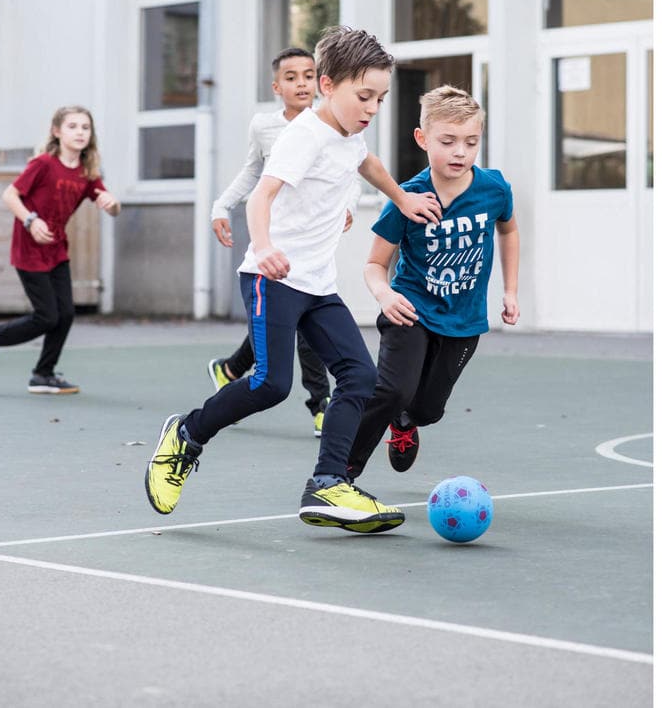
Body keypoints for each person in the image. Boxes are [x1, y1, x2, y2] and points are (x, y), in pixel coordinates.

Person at [144, 26, 443, 532]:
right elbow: (261, 197)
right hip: (272, 278)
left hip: (317, 285)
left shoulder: (350, 133)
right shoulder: (302, 135)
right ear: (329, 86)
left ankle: (327, 484)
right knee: (270, 383)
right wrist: (264, 248)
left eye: (380, 97)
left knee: (360, 378)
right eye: (363, 95)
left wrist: (403, 197)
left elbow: (365, 161)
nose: (372, 107)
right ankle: (186, 435)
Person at [344, 85, 519, 482]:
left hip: (464, 319)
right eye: (449, 141)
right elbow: (375, 264)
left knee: (426, 410)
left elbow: (508, 231)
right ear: (423, 139)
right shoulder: (407, 197)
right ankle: (340, 471)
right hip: (411, 310)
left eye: (471, 142)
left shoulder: (494, 189)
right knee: (391, 392)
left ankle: (406, 424)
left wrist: (510, 290)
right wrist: (385, 294)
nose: (460, 151)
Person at [207, 46, 361, 436]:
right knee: (292, 341)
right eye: (291, 77)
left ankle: (230, 369)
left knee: (294, 327)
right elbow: (253, 177)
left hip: (314, 250)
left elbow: (354, 172)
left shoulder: (338, 125)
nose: (301, 84)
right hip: (274, 248)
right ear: (277, 86)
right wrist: (221, 206)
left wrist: (350, 206)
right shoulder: (266, 127)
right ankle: (320, 404)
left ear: (321, 81)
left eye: (308, 75)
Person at [0, 105, 121, 394]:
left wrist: (113, 203)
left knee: (66, 315)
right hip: (29, 248)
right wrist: (30, 220)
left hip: (56, 249)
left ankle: (43, 374)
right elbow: (9, 194)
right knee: (47, 316)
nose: (79, 132)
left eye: (85, 127)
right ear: (57, 131)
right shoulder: (43, 164)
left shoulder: (88, 173)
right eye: (72, 126)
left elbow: (112, 208)